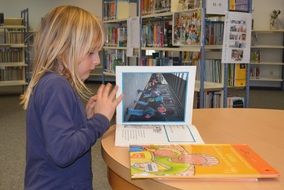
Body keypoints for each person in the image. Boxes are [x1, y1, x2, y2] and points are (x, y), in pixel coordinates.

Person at [20, 5, 122, 190]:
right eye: (90, 52)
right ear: (62, 50)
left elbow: (57, 134)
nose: (98, 60)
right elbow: (63, 152)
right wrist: (100, 120)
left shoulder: (53, 82)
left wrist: (85, 120)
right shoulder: (56, 87)